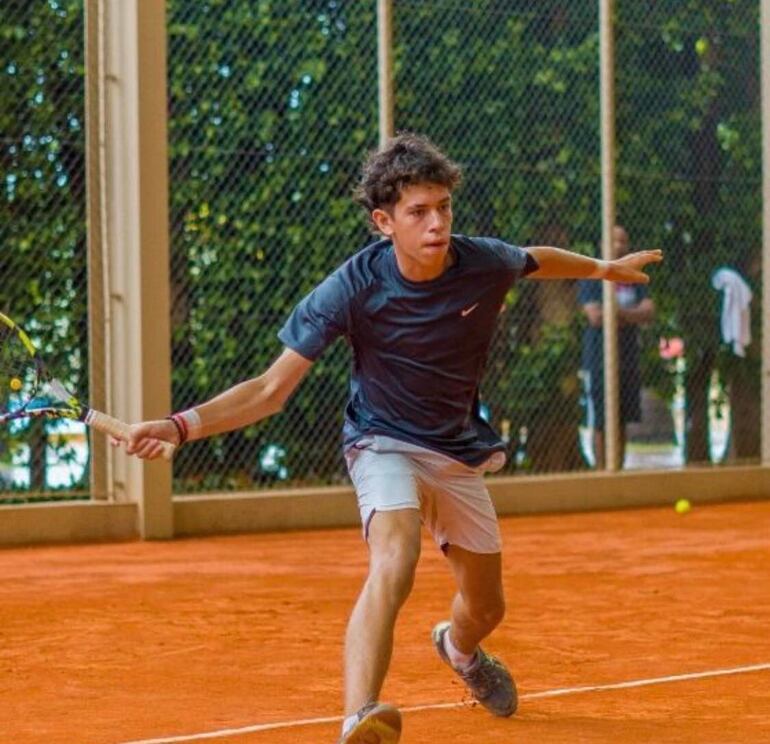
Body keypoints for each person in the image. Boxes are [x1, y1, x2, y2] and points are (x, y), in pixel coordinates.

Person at [122, 134, 662, 744]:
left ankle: (459, 650)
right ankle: (360, 717)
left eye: (444, 207)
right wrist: (180, 426)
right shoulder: (352, 287)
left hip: (456, 450)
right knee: (394, 558)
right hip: (381, 441)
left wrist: (603, 270)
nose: (437, 224)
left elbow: (533, 259)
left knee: (487, 608)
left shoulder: (481, 261)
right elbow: (271, 389)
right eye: (418, 212)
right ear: (384, 223)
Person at [578, 225, 656, 469]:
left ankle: (618, 470)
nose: (620, 246)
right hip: (598, 359)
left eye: (624, 241)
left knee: (621, 419)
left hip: (628, 358)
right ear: (603, 245)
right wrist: (630, 314)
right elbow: (595, 316)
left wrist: (614, 312)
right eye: (614, 241)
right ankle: (602, 471)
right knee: (601, 421)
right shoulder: (592, 274)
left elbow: (648, 311)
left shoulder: (633, 277)